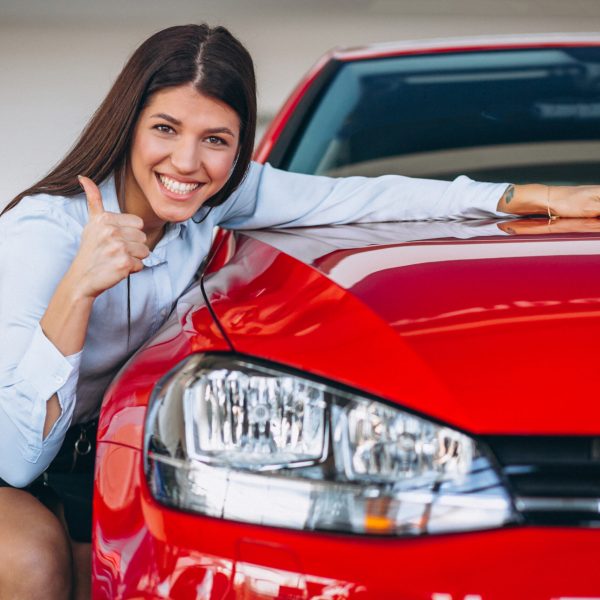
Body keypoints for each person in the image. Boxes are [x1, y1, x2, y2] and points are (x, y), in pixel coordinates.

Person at [1, 23, 599, 600]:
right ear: (128, 125)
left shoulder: (217, 201)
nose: (186, 163)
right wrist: (77, 287)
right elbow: (18, 457)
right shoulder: (45, 234)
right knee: (34, 565)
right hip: (18, 451)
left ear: (238, 150)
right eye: (165, 128)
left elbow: (358, 197)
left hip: (83, 457)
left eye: (216, 140)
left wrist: (519, 196)